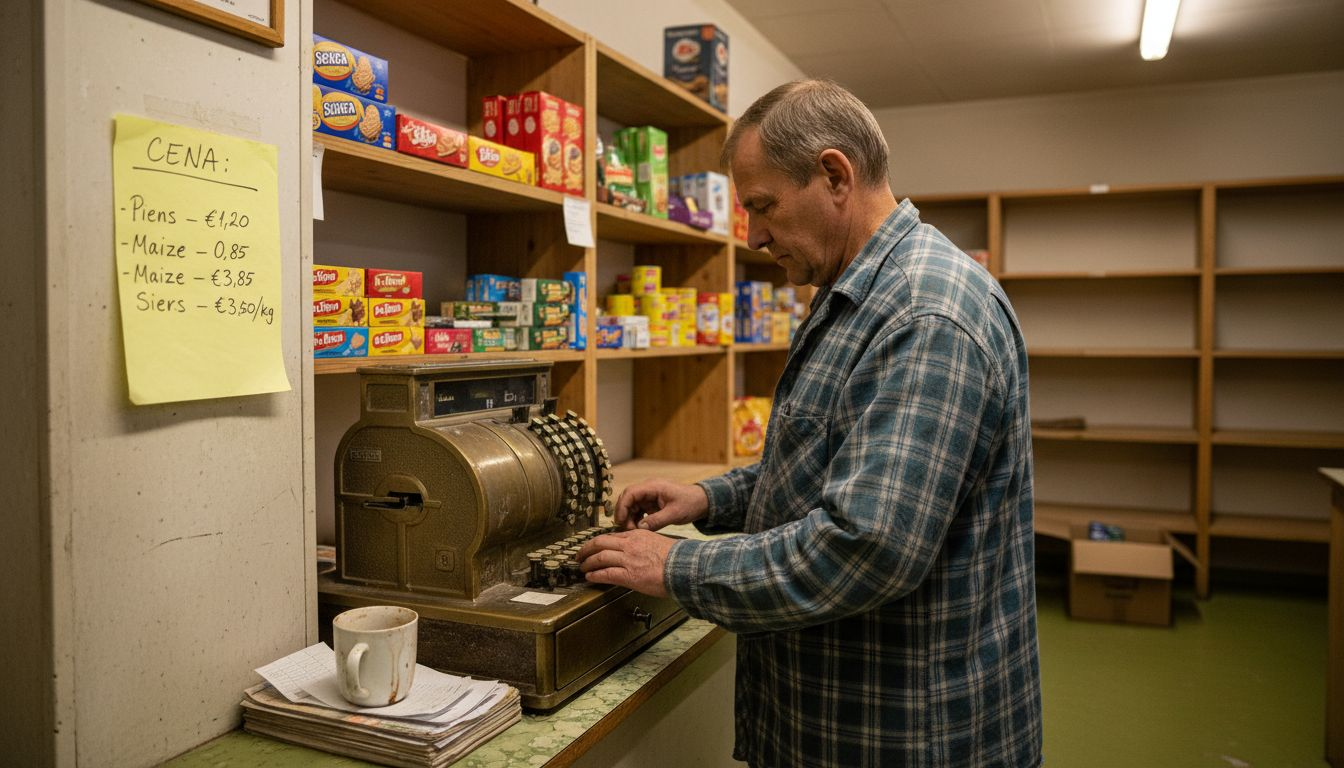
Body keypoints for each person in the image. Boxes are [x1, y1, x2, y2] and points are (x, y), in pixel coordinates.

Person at [578, 79, 1042, 768]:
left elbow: (865, 548)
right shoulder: (850, 293)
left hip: (909, 735)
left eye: (762, 207)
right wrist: (712, 498)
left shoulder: (924, 314)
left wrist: (677, 563)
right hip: (828, 718)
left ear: (834, 175)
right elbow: (830, 459)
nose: (755, 234)